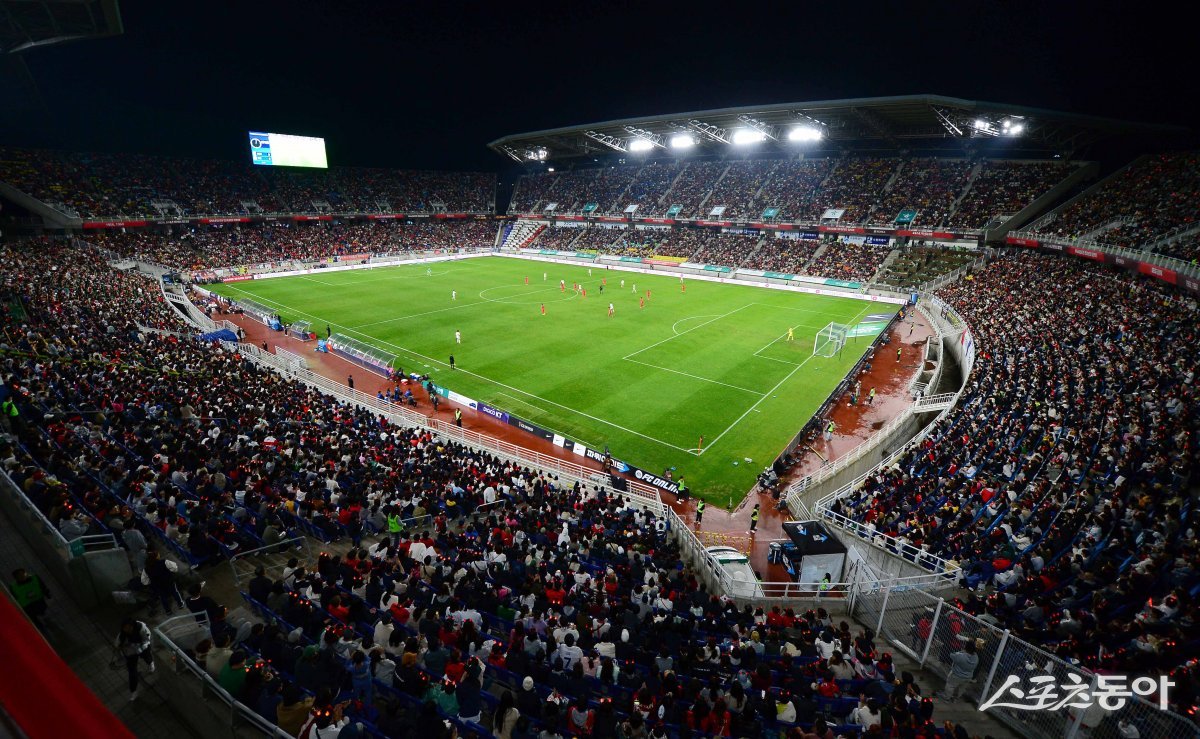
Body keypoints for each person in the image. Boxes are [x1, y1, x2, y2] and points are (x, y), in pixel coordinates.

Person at [115, 617, 154, 700]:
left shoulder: (142, 628)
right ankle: (134, 692)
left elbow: (147, 639)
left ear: (132, 625)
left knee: (147, 656)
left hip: (142, 647)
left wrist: (141, 648)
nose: (127, 630)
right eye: (125, 628)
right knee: (132, 672)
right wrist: (120, 657)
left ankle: (151, 664)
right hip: (130, 653)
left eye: (129, 627)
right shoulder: (121, 636)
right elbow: (117, 647)